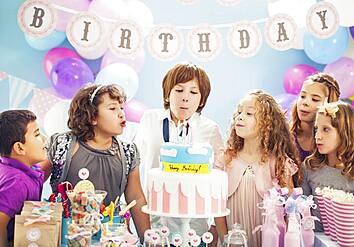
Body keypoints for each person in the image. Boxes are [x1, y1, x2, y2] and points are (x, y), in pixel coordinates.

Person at [47, 84, 150, 241]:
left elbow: (136, 198)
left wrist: (147, 239)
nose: (121, 114)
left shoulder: (128, 152)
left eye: (121, 108)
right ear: (92, 116)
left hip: (111, 238)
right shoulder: (63, 145)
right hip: (66, 236)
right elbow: (34, 178)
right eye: (113, 108)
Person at [134, 62, 224, 240]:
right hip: (155, 221)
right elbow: (134, 169)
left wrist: (214, 226)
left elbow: (218, 181)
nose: (185, 98)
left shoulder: (210, 129)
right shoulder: (150, 119)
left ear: (202, 99)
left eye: (193, 92)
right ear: (167, 94)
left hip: (194, 226)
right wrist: (141, 224)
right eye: (179, 90)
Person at [215, 90, 300, 247]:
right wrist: (226, 239)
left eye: (249, 113)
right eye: (239, 112)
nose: (240, 117)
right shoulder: (225, 160)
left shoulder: (279, 162)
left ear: (267, 124)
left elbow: (289, 212)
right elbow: (217, 208)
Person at [302, 101, 354, 242]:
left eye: (326, 129)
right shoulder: (309, 167)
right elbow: (303, 216)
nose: (318, 136)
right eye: (316, 129)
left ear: (345, 132)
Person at [0, 110, 47, 246]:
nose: (44, 138)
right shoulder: (16, 182)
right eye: (37, 134)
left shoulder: (31, 169)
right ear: (20, 148)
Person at [291, 72, 340, 162]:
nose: (305, 102)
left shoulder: (337, 143)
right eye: (302, 96)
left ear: (329, 105)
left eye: (315, 99)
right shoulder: (285, 136)